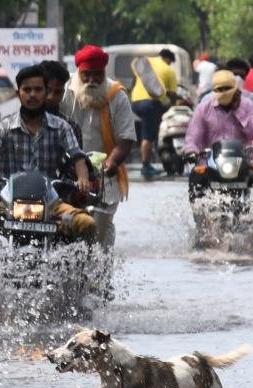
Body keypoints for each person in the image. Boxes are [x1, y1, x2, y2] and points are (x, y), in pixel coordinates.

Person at [0, 65, 95, 243]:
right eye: (27, 90)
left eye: (38, 89)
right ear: (18, 93)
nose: (32, 95)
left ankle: (84, 269)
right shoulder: (3, 128)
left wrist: (83, 178)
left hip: (52, 203)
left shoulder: (62, 127)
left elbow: (77, 156)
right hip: (8, 203)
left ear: (45, 93)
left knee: (86, 223)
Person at [61, 45, 136, 247]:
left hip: (103, 177)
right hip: (65, 174)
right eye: (86, 75)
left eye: (97, 75)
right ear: (78, 72)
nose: (92, 80)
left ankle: (100, 270)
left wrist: (111, 163)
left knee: (99, 235)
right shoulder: (64, 91)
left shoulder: (116, 95)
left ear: (104, 72)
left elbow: (126, 138)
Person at [183, 70, 253, 158]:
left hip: (240, 161)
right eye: (220, 89)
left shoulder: (247, 105)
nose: (224, 92)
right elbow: (193, 136)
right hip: (212, 162)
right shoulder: (204, 109)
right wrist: (191, 151)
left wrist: (238, 110)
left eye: (227, 88)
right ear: (214, 90)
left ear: (235, 89)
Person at [130, 49, 178, 178]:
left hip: (135, 102)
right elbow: (173, 95)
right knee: (148, 135)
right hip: (151, 103)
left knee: (146, 131)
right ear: (168, 59)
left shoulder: (147, 62)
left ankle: (147, 159)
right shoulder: (169, 71)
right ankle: (146, 165)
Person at [201, 62, 253, 148]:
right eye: (234, 74)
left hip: (244, 154)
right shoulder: (208, 99)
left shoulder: (252, 99)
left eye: (241, 76)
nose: (238, 78)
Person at [38, 59, 83, 146]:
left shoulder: (71, 128)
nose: (51, 97)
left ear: (63, 93)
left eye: (57, 92)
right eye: (47, 90)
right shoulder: (14, 127)